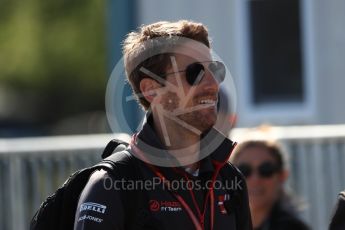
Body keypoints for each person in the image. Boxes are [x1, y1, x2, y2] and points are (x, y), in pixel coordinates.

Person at [74, 20, 252, 230]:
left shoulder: (230, 180)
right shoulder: (111, 184)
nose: (214, 83)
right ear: (150, 90)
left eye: (215, 70)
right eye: (195, 73)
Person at [230, 140, 309, 230]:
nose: (255, 179)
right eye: (243, 170)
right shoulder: (217, 222)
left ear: (282, 176)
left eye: (266, 170)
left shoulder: (294, 227)